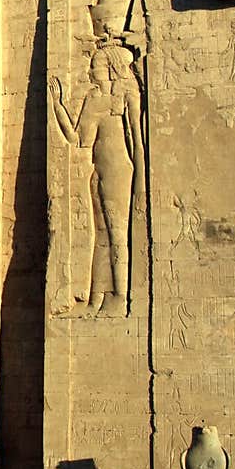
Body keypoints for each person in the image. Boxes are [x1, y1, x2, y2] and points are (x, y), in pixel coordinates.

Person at [48, 44, 144, 316]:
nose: (91, 72)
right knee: (99, 233)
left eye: (96, 67)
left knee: (117, 235)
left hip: (119, 171)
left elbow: (136, 138)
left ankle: (121, 297)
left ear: (112, 69)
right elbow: (79, 139)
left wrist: (141, 180)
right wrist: (57, 105)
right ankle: (97, 298)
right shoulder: (93, 99)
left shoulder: (126, 95)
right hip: (98, 171)